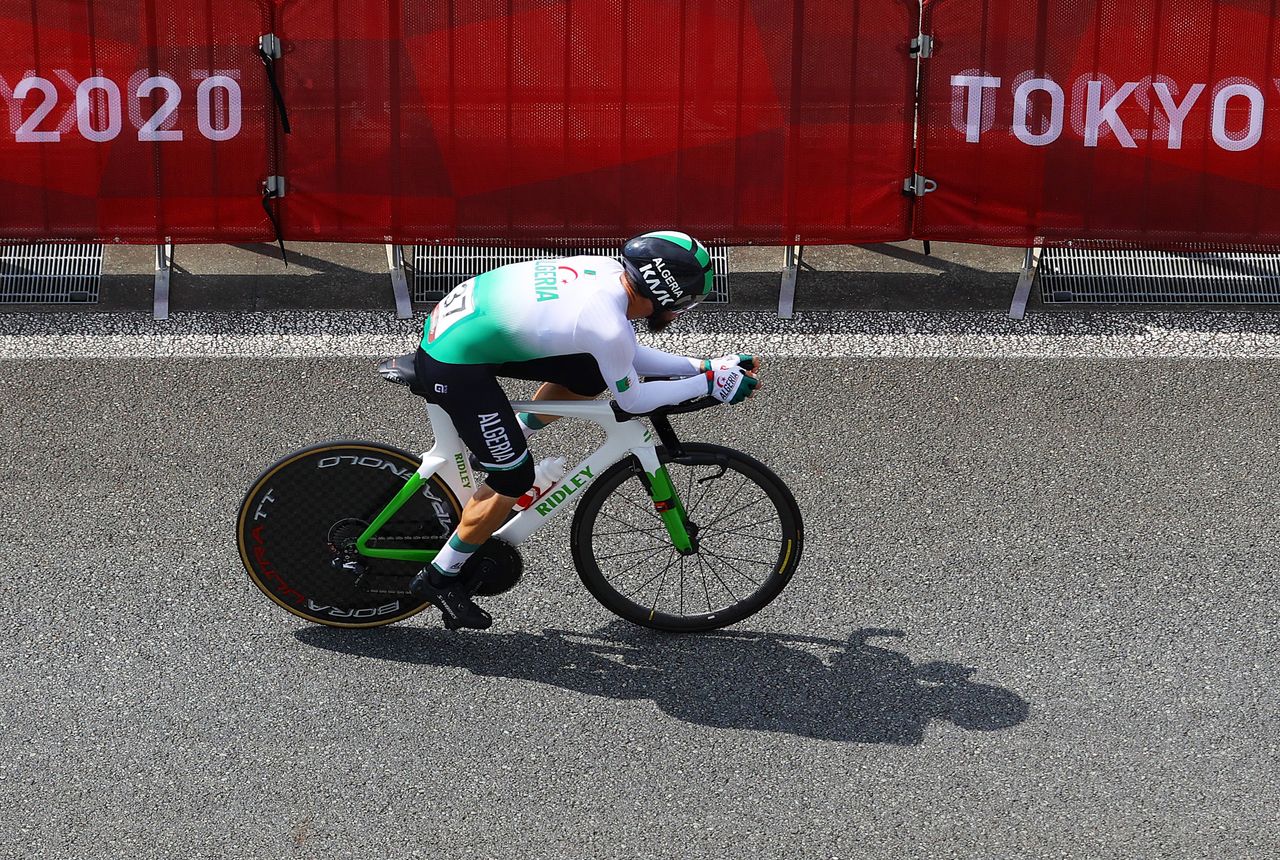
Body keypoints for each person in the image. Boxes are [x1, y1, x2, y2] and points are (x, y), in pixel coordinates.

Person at [409, 230, 761, 629]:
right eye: (684, 303)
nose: (681, 313)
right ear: (665, 296)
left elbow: (624, 354)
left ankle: (510, 439)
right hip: (453, 361)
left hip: (463, 327)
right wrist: (710, 385)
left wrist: (704, 366)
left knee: (591, 373)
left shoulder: (609, 274)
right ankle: (440, 577)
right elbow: (631, 400)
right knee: (514, 478)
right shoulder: (607, 324)